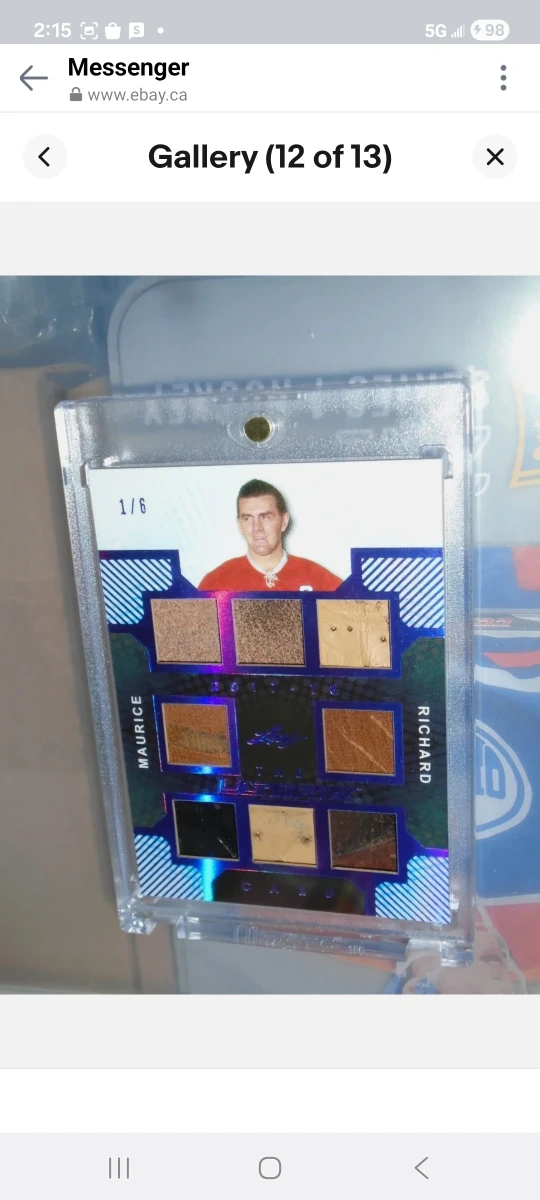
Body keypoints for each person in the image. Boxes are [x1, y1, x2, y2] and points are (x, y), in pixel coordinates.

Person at [198, 478, 342, 592]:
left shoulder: (318, 579)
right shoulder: (215, 583)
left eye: (266, 517)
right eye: (247, 518)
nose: (257, 528)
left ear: (284, 521)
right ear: (239, 524)